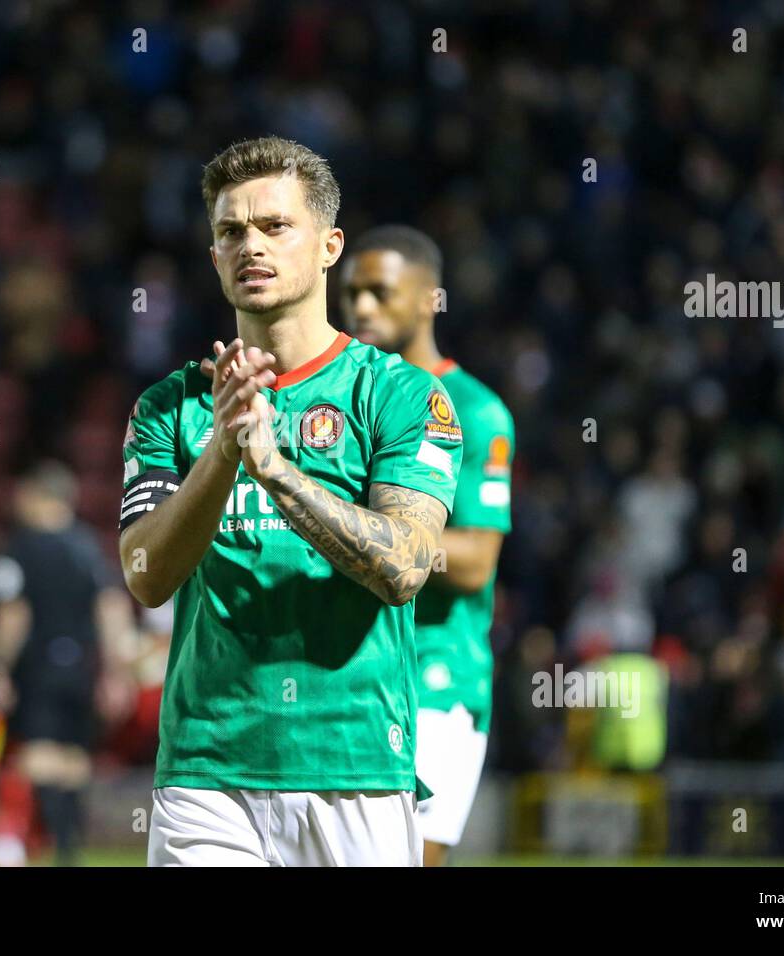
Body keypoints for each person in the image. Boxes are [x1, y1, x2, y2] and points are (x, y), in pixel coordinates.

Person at [120, 136, 463, 867]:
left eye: (275, 226)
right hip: (207, 773)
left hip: (355, 769)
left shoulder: (401, 395)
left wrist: (276, 471)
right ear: (214, 258)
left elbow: (405, 566)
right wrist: (222, 452)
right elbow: (146, 574)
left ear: (330, 245)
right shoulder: (168, 408)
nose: (252, 245)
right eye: (231, 231)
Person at [341, 225, 516, 866]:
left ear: (428, 300)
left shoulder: (476, 411)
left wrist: (384, 539)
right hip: (351, 675)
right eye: (352, 293)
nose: (361, 308)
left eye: (380, 293)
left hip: (436, 679)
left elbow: (473, 561)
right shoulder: (339, 402)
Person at [0, 461, 137, 866]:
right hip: (82, 667)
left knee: (38, 757)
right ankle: (68, 850)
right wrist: (117, 670)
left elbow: (13, 613)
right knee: (74, 760)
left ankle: (49, 851)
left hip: (40, 666)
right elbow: (112, 606)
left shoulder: (21, 548)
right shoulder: (89, 548)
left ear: (37, 497)